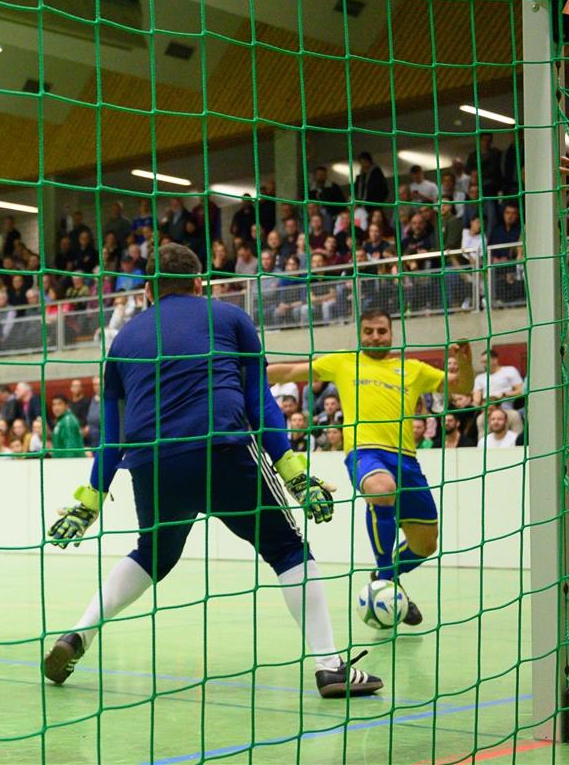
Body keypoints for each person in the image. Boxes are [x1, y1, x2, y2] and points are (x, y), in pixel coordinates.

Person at [44, 243, 382, 699]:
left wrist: (89, 503)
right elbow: (259, 403)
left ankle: (78, 634)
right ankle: (330, 667)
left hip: (152, 462)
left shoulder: (122, 341)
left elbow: (113, 436)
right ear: (200, 284)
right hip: (221, 450)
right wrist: (295, 473)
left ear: (147, 291)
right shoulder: (230, 319)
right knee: (286, 548)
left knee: (154, 552)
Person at [268, 309, 445, 627]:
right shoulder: (343, 362)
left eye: (381, 331)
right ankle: (388, 581)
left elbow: (460, 385)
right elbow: (292, 371)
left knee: (426, 544)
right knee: (381, 488)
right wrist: (245, 371)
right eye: (368, 331)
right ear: (360, 334)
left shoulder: (414, 369)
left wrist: (466, 361)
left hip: (407, 459)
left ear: (392, 333)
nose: (375, 336)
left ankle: (383, 573)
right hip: (364, 453)